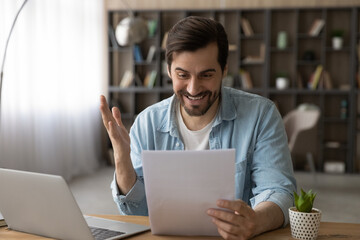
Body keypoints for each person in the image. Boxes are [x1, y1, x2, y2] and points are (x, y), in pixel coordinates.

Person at [100, 16, 296, 240]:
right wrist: (121, 162)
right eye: (182, 75)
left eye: (206, 75)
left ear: (224, 69)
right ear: (168, 71)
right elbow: (137, 213)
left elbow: (280, 192)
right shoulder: (147, 123)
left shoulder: (261, 115)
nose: (193, 89)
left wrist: (256, 221)